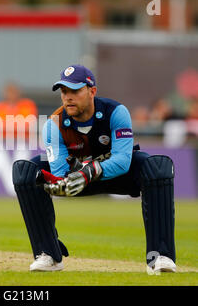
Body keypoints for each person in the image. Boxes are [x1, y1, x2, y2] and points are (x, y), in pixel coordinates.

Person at [12, 65, 176, 274]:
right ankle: (49, 255)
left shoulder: (116, 112)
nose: (68, 97)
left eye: (75, 91)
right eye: (64, 92)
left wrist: (88, 171)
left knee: (157, 167)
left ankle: (160, 256)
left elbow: (123, 161)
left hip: (116, 174)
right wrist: (60, 182)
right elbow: (61, 172)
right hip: (77, 178)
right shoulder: (54, 124)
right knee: (25, 171)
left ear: (92, 91)